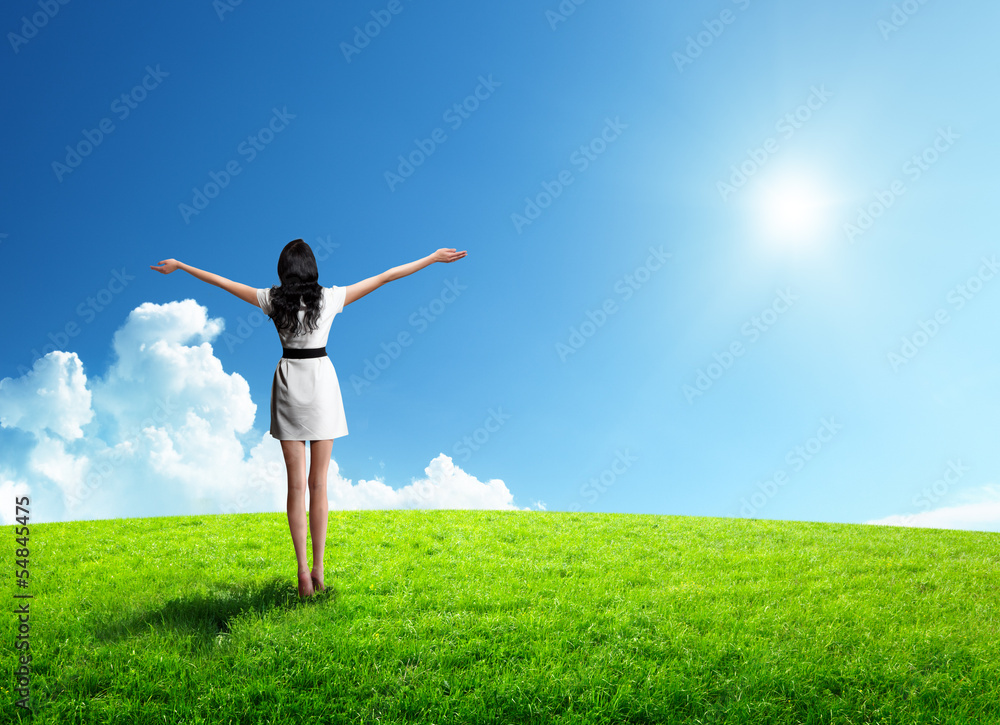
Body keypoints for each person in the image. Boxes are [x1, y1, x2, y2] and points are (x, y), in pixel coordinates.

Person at [151, 240, 468, 597]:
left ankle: (301, 572)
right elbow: (387, 277)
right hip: (321, 385)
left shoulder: (273, 300)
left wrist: (181, 265)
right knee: (319, 485)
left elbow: (222, 282)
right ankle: (319, 569)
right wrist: (432, 258)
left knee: (296, 486)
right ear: (313, 269)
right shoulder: (329, 298)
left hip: (288, 383)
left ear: (283, 271)